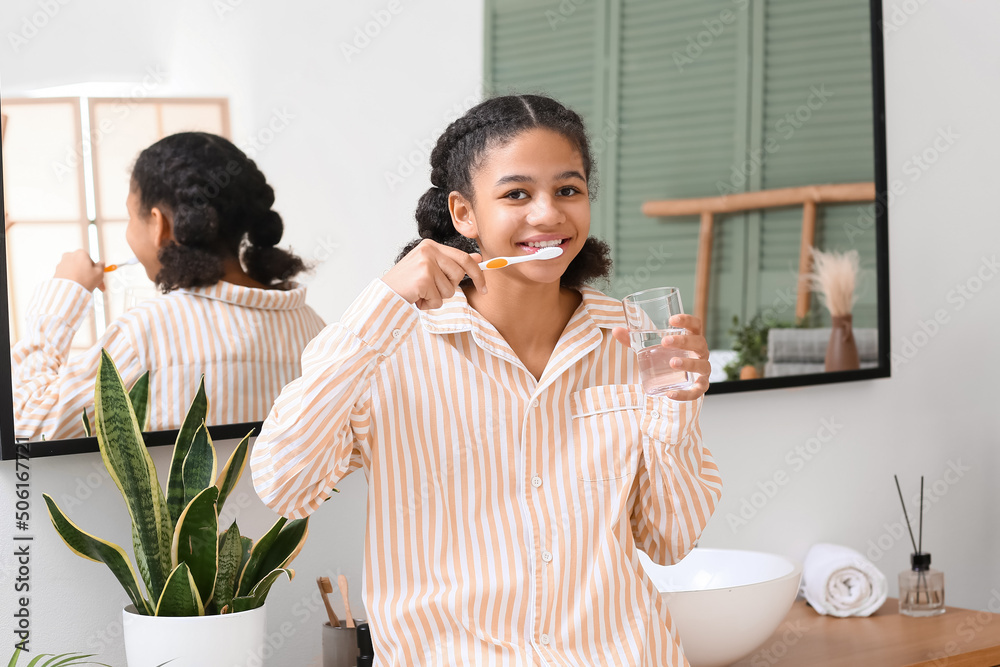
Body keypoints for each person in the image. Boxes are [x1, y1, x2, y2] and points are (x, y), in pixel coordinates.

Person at [250, 95, 722, 666]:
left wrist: (676, 405)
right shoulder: (392, 345)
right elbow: (284, 486)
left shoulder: (631, 338)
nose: (548, 214)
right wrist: (379, 307)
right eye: (517, 193)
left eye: (568, 190)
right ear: (464, 213)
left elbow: (670, 542)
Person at [12, 132, 325, 441]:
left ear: (158, 223)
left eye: (131, 217)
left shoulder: (144, 333)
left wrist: (64, 295)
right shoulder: (314, 328)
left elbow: (28, 423)